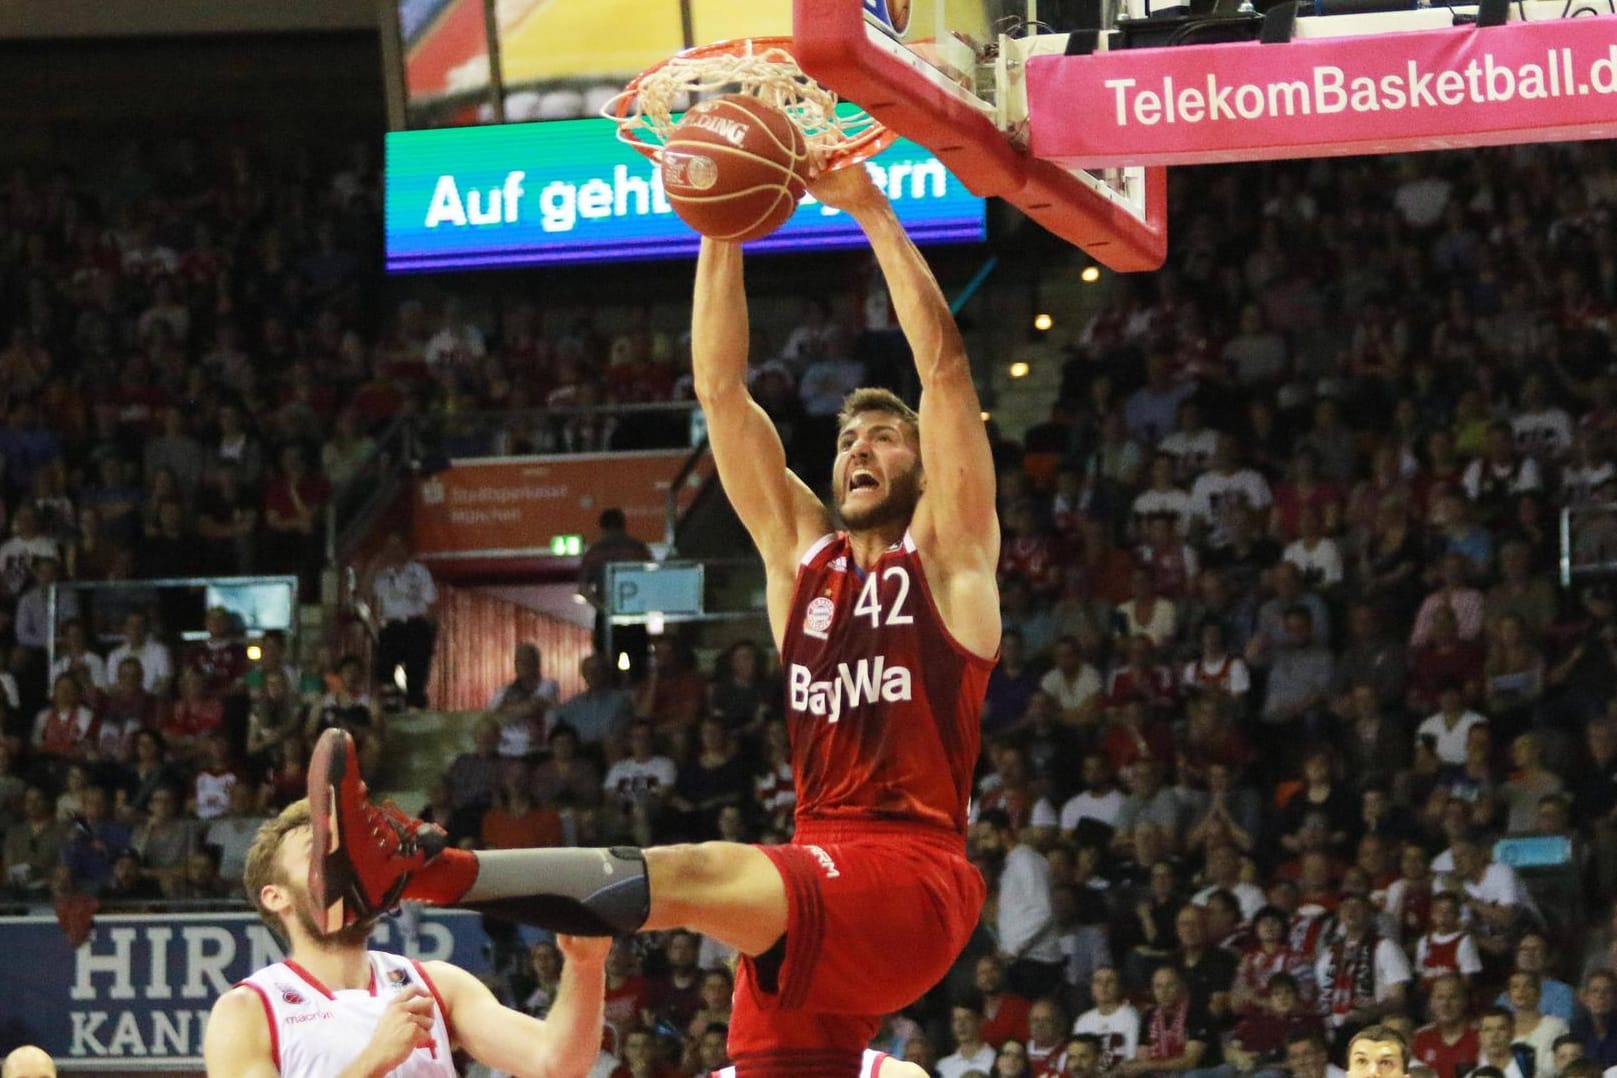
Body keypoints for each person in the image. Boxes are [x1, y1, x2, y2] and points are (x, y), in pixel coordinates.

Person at [307, 166, 999, 1076]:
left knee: (700, 871)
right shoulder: (804, 561)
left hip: (908, 880)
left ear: (920, 467)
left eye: (883, 437)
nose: (858, 448)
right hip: (817, 879)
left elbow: (943, 367)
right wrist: (720, 221)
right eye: (845, 440)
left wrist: (869, 207)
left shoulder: (948, 562)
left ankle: (410, 871)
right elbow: (720, 391)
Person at [202, 800, 610, 1077]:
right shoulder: (249, 1009)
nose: (339, 862)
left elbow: (557, 1062)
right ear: (277, 896)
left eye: (343, 852)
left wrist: (586, 966)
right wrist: (374, 1060)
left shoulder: (437, 984)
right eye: (317, 851)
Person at [369, 533, 438, 709]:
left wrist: (429, 630)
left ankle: (415, 705)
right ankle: (390, 705)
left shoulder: (419, 571)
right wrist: (374, 565)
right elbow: (364, 593)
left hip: (415, 623)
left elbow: (430, 603)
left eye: (398, 546)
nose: (394, 551)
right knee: (384, 667)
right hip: (392, 624)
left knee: (416, 669)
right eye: (390, 547)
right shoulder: (382, 574)